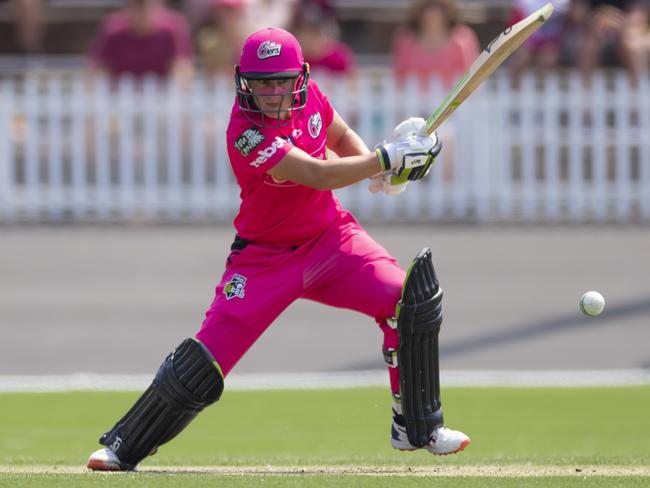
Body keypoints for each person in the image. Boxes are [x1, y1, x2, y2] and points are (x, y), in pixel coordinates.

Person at [86, 27, 470, 472]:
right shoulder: (243, 132)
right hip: (263, 259)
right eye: (261, 81)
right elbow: (317, 173)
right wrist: (385, 159)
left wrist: (377, 171)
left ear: (300, 76)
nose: (271, 91)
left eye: (280, 80)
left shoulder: (311, 97)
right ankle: (125, 445)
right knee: (204, 363)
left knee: (408, 299)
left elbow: (340, 136)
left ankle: (416, 427)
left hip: (331, 240)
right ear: (243, 80)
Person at [88, 0, 193, 83]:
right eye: (137, 5)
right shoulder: (112, 29)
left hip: (161, 98)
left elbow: (182, 68)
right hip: (121, 97)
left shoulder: (173, 27)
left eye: (146, 5)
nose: (142, 12)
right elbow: (95, 69)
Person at [391, 0, 480, 90]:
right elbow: (397, 79)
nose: (433, 12)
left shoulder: (463, 39)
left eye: (438, 6)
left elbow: (472, 79)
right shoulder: (405, 40)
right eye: (429, 6)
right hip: (413, 100)